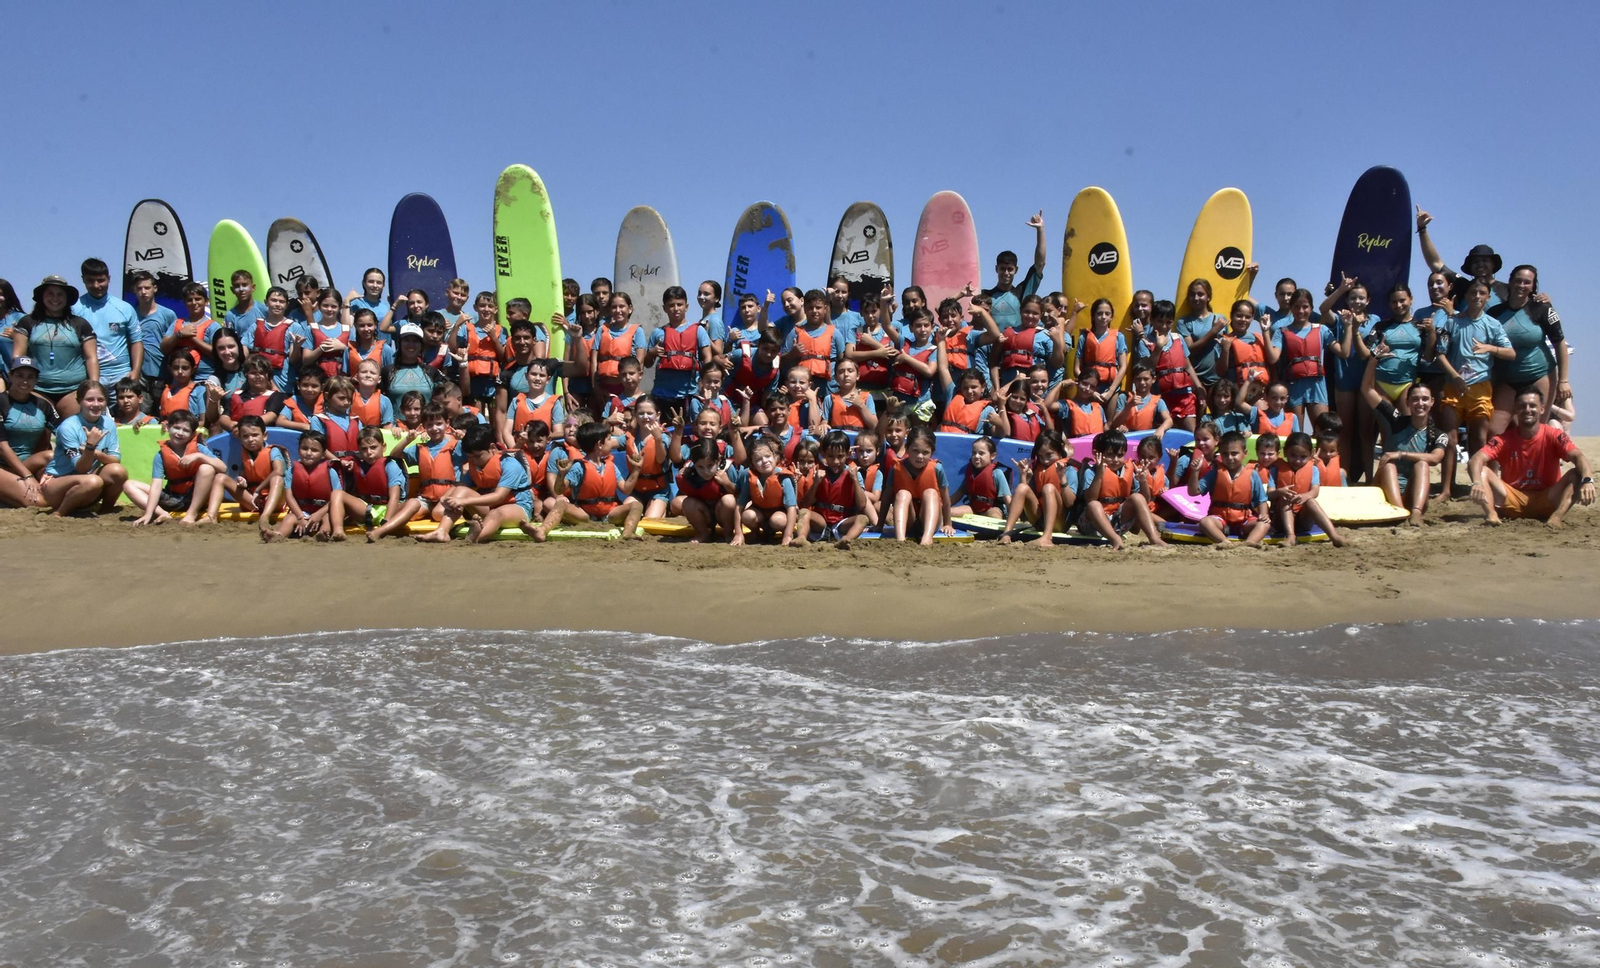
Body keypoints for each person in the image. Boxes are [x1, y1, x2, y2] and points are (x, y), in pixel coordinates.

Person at [1469, 388, 1595, 528]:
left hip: (1547, 499)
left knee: (1577, 474)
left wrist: (1588, 480)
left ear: (1542, 409)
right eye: (1522, 406)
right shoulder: (1503, 439)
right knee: (1483, 472)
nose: (1527, 410)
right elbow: (1476, 459)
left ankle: (1556, 517)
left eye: (1532, 406)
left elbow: (1578, 456)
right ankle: (1492, 515)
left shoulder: (1553, 435)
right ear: (1516, 409)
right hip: (1512, 500)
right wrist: (1476, 483)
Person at [1436, 279, 1514, 495]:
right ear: (1466, 296)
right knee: (1450, 438)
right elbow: (1439, 354)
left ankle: (1479, 485)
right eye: (1473, 292)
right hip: (1454, 386)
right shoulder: (1452, 322)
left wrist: (1490, 348)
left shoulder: (1493, 324)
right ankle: (1446, 489)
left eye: (1482, 293)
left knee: (1479, 437)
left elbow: (1511, 353)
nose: (1477, 297)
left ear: (1488, 297)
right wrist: (1454, 376)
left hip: (1480, 387)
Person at [1362, 353, 1448, 526]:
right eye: (1415, 399)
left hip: (1414, 495)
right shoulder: (1396, 420)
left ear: (1432, 402)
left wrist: (1401, 454)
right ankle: (1400, 514)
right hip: (1384, 492)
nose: (1420, 404)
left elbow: (1435, 458)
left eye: (1425, 399)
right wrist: (1373, 359)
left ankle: (1415, 514)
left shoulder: (1438, 434)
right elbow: (1367, 390)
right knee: (1388, 465)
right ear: (1407, 402)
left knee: (1422, 463)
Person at [1490, 265, 1567, 433]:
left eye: (1527, 282)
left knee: (1534, 432)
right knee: (1494, 431)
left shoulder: (1542, 309)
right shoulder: (1494, 313)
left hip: (1539, 376)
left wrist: (1564, 381)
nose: (1521, 285)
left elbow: (1560, 343)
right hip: (1507, 379)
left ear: (1533, 286)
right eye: (1518, 281)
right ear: (1510, 282)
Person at [10, 276, 99, 416]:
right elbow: (18, 357)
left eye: (60, 294)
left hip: (73, 390)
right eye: (50, 293)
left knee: (74, 433)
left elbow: (91, 357)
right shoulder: (27, 322)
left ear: (67, 298)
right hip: (36, 390)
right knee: (40, 435)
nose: (55, 298)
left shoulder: (81, 324)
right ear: (42, 297)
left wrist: (94, 387)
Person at [544, 420, 645, 538]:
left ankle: (628, 532)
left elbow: (626, 489)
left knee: (636, 505)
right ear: (599, 444)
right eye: (609, 439)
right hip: (584, 513)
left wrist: (636, 469)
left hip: (609, 513)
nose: (611, 442)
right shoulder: (579, 467)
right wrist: (561, 475)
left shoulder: (610, 466)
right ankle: (542, 530)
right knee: (560, 504)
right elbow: (559, 490)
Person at [39, 380, 127, 516]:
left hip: (87, 480)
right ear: (79, 401)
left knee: (118, 471)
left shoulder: (109, 423)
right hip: (58, 483)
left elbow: (115, 459)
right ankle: (59, 513)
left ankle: (106, 511)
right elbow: (81, 468)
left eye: (100, 400)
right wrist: (90, 447)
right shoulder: (68, 427)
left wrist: (96, 453)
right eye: (90, 400)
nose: (96, 404)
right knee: (93, 481)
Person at [126, 410, 225, 527]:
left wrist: (200, 456)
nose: (180, 433)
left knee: (207, 468)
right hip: (172, 498)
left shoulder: (199, 448)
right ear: (168, 427)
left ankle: (191, 514)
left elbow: (223, 468)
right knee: (129, 485)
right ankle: (162, 513)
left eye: (186, 430)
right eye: (177, 428)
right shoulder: (160, 455)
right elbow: (156, 485)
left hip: (197, 498)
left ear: (193, 434)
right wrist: (148, 513)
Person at [1080, 430, 1167, 550]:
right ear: (1097, 454)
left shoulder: (1128, 470)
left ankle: (1154, 538)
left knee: (1137, 497)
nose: (1115, 460)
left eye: (1120, 455)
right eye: (1110, 455)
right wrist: (1099, 475)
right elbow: (1090, 499)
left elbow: (1145, 500)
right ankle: (1115, 540)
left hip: (1118, 521)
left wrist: (1143, 481)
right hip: (1094, 524)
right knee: (1094, 505)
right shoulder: (1091, 471)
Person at [1277, 288, 1347, 429]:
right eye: (1296, 306)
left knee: (1324, 430)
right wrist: (1266, 332)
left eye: (1305, 307)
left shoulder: (1322, 330)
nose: (1301, 311)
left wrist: (1350, 326)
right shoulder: (1282, 332)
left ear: (1311, 308)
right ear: (1290, 307)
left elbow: (1343, 352)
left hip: (1317, 385)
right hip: (1293, 385)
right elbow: (1274, 358)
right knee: (1296, 434)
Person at [1187, 430, 1271, 547]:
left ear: (1244, 453)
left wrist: (1264, 514)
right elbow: (1192, 492)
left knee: (1264, 524)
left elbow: (1261, 499)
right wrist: (1195, 472)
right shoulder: (1215, 472)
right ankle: (1225, 542)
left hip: (1244, 520)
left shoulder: (1252, 474)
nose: (1230, 457)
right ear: (1220, 454)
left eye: (1234, 453)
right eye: (1225, 454)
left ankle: (1248, 544)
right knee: (1205, 522)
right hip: (1220, 520)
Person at [999, 429, 1075, 548]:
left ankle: (1047, 537)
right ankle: (1007, 533)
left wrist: (1063, 479)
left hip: (1060, 523)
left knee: (1048, 488)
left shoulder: (1068, 469)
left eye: (1049, 455)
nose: (1045, 460)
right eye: (1040, 456)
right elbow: (1025, 502)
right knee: (1022, 487)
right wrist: (1023, 476)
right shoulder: (1037, 470)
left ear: (1060, 450)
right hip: (1039, 520)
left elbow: (1070, 503)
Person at [265, 430, 346, 541]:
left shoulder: (330, 472)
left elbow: (336, 499)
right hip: (301, 512)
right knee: (289, 518)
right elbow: (289, 496)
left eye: (314, 450)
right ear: (298, 450)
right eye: (304, 448)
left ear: (323, 454)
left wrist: (317, 515)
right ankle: (278, 535)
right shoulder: (292, 472)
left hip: (324, 511)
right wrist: (300, 517)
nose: (308, 453)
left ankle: (323, 533)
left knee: (328, 519)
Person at [1268, 432, 1346, 546]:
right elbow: (1269, 494)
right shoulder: (1276, 470)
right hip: (1281, 521)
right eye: (1293, 455)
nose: (1298, 460)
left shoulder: (1313, 470)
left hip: (1303, 520)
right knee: (1285, 499)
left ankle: (1334, 535)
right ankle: (1291, 536)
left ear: (1311, 454)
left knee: (1311, 501)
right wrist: (1279, 492)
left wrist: (1306, 496)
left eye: (1303, 457)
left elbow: (1315, 491)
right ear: (1285, 452)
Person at [1416, 207, 1506, 306]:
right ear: (1470, 267)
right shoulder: (1462, 286)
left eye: (1485, 260)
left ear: (1493, 264)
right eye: (1475, 262)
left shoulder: (1507, 290)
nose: (1480, 264)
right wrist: (1422, 229)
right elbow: (1435, 263)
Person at [72, 258, 140, 388]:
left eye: (101, 280)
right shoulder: (74, 309)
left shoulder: (125, 308)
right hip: (88, 377)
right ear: (83, 280)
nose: (97, 285)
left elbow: (136, 342)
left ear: (109, 278)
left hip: (121, 376)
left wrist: (135, 371)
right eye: (90, 281)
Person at [880, 425, 953, 545]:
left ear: (932, 453)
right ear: (907, 449)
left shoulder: (937, 469)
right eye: (915, 451)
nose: (920, 456)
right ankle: (900, 540)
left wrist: (948, 524)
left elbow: (946, 501)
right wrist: (879, 524)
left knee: (930, 493)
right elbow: (886, 498)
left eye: (925, 452)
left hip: (930, 521)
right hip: (908, 521)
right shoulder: (896, 468)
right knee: (903, 493)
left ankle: (926, 539)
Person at [0, 357, 58, 507]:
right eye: (19, 375)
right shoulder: (1, 402)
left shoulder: (43, 405)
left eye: (30, 377)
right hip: (3, 466)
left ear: (36, 380)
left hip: (27, 463)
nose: (25, 381)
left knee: (50, 456)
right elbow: (2, 447)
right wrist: (27, 476)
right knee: (40, 503)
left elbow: (64, 432)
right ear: (10, 376)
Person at [801, 430, 871, 547]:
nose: (835, 461)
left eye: (840, 456)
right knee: (804, 512)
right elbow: (806, 503)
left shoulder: (854, 474)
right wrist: (816, 483)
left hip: (843, 521)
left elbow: (862, 505)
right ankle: (801, 538)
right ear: (823, 454)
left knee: (863, 519)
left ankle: (846, 540)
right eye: (830, 456)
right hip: (821, 520)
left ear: (848, 454)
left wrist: (854, 480)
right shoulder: (818, 473)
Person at [221, 416, 288, 535]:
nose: (250, 439)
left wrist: (259, 489)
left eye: (255, 435)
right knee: (220, 478)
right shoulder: (245, 454)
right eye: (245, 436)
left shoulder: (273, 451)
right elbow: (245, 475)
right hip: (253, 500)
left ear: (264, 435)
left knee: (277, 478)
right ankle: (210, 516)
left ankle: (264, 517)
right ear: (240, 439)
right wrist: (242, 482)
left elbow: (279, 471)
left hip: (274, 500)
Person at [644, 286, 707, 410]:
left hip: (689, 394)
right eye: (671, 305)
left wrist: (703, 385)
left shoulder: (699, 331)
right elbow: (646, 363)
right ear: (664, 308)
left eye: (680, 304)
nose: (676, 309)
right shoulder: (658, 333)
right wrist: (652, 353)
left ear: (686, 307)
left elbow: (708, 360)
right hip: (661, 394)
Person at [983, 212, 1047, 332]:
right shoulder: (985, 296)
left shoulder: (1021, 292)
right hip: (992, 348)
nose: (1006, 273)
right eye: (1002, 269)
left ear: (1016, 270)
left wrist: (1040, 230)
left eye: (1010, 269)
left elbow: (1040, 264)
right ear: (996, 269)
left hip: (1016, 347)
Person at [126, 271, 177, 411]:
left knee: (165, 414)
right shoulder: (130, 315)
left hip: (163, 374)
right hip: (140, 375)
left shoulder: (168, 314)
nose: (143, 292)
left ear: (155, 288)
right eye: (139, 288)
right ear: (134, 290)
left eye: (147, 288)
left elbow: (175, 345)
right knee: (142, 417)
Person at [739, 434, 800, 545]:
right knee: (747, 516)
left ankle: (786, 533)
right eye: (758, 459)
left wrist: (787, 535)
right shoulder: (750, 478)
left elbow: (791, 508)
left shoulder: (784, 478)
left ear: (775, 457)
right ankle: (756, 532)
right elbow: (739, 507)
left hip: (779, 515)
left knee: (777, 520)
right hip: (760, 514)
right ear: (752, 464)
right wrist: (738, 533)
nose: (765, 461)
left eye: (768, 456)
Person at [161, 282, 220, 380]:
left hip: (204, 379)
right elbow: (164, 348)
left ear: (206, 301)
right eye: (189, 300)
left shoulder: (213, 326)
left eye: (198, 299)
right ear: (184, 303)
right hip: (178, 380)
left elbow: (218, 354)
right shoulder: (177, 324)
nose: (194, 303)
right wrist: (179, 335)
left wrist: (193, 339)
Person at [1075, 298, 1129, 390]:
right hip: (1088, 389)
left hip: (1110, 386)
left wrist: (1111, 391)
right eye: (1099, 313)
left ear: (1111, 316)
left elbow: (1123, 367)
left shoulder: (1119, 337)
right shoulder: (1084, 338)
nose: (1103, 317)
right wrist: (1087, 387)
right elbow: (1076, 369)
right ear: (1093, 316)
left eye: (1107, 314)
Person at [950, 436, 1011, 518]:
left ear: (992, 456)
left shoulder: (997, 473)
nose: (976, 456)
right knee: (950, 512)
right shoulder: (971, 473)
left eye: (981, 453)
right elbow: (959, 493)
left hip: (992, 508)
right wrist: (944, 506)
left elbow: (1007, 498)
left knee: (994, 515)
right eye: (974, 453)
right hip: (973, 508)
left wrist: (1014, 518)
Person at [1108, 362, 1173, 436]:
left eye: (1146, 379)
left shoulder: (1158, 401)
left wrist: (1161, 428)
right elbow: (1115, 423)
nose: (1142, 382)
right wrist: (1129, 406)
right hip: (1127, 439)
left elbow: (1169, 420)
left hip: (1146, 441)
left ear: (1153, 379)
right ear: (1133, 380)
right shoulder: (1124, 397)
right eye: (1138, 379)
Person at [223, 269, 267, 334]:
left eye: (244, 285)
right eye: (237, 286)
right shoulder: (230, 316)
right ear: (232, 290)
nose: (241, 289)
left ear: (253, 287)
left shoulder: (264, 310)